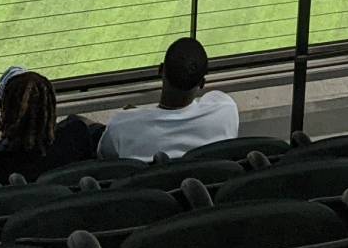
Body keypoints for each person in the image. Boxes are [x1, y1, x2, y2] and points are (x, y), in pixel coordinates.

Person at [98, 38, 241, 161]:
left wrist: (137, 115)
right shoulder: (226, 108)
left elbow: (106, 158)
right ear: (202, 83)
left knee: (81, 125)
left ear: (160, 70)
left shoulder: (122, 126)